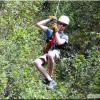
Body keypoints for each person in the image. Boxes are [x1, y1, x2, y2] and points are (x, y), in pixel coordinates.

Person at [34, 15, 70, 90]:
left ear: (65, 27)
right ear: (58, 23)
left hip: (56, 52)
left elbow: (60, 42)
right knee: (36, 62)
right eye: (60, 23)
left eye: (64, 25)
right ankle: (49, 80)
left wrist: (56, 31)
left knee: (50, 54)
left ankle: (49, 79)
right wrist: (49, 20)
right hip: (48, 52)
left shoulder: (65, 36)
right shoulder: (50, 32)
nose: (61, 26)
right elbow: (38, 24)